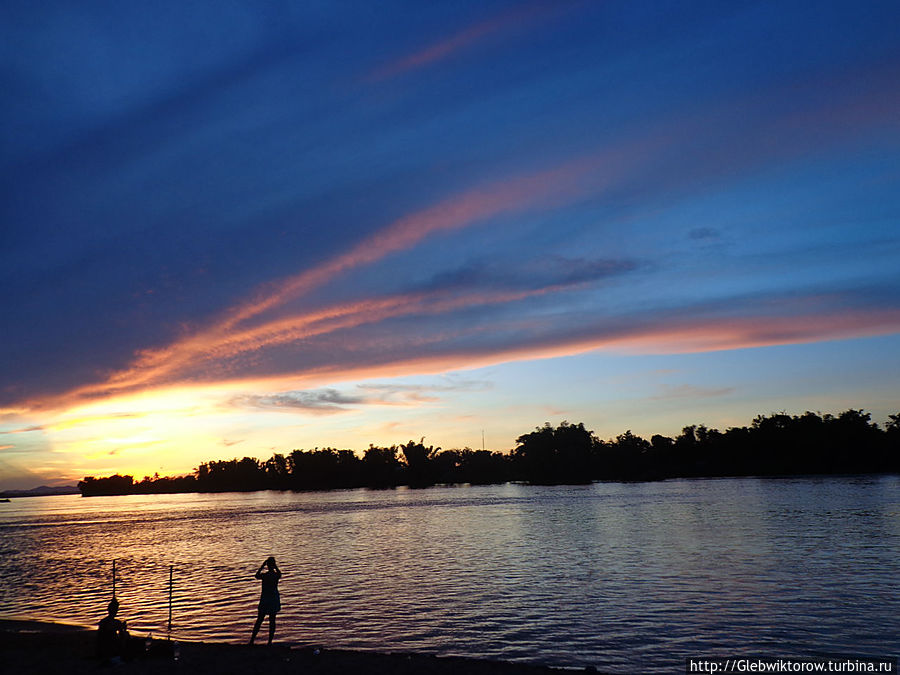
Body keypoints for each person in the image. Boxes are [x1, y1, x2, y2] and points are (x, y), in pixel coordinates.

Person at [250, 556, 282, 646]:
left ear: (267, 566)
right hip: (273, 599)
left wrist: (262, 566)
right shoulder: (275, 575)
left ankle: (252, 640)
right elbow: (280, 574)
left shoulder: (265, 576)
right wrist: (275, 567)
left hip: (265, 599)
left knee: (259, 620)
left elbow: (256, 575)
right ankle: (269, 642)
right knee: (272, 621)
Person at [97, 598, 129, 663]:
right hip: (111, 649)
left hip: (101, 648)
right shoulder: (116, 623)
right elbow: (121, 637)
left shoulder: (102, 621)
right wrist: (124, 629)